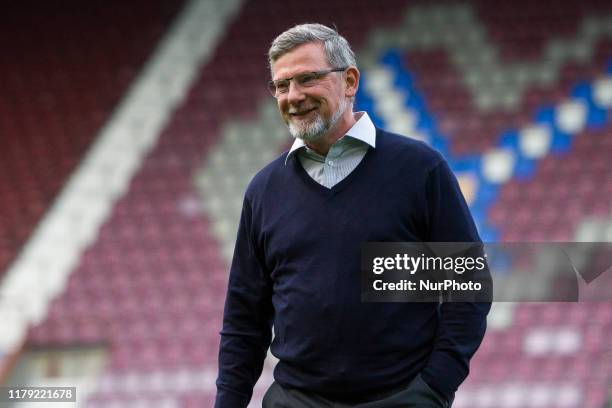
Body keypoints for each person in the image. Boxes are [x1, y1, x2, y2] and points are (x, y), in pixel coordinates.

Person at [215, 23, 490, 407]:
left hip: (399, 398)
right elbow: (245, 319)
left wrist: (434, 388)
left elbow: (468, 287)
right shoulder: (264, 191)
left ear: (349, 81)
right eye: (282, 85)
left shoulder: (418, 170)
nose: (293, 96)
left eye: (307, 78)